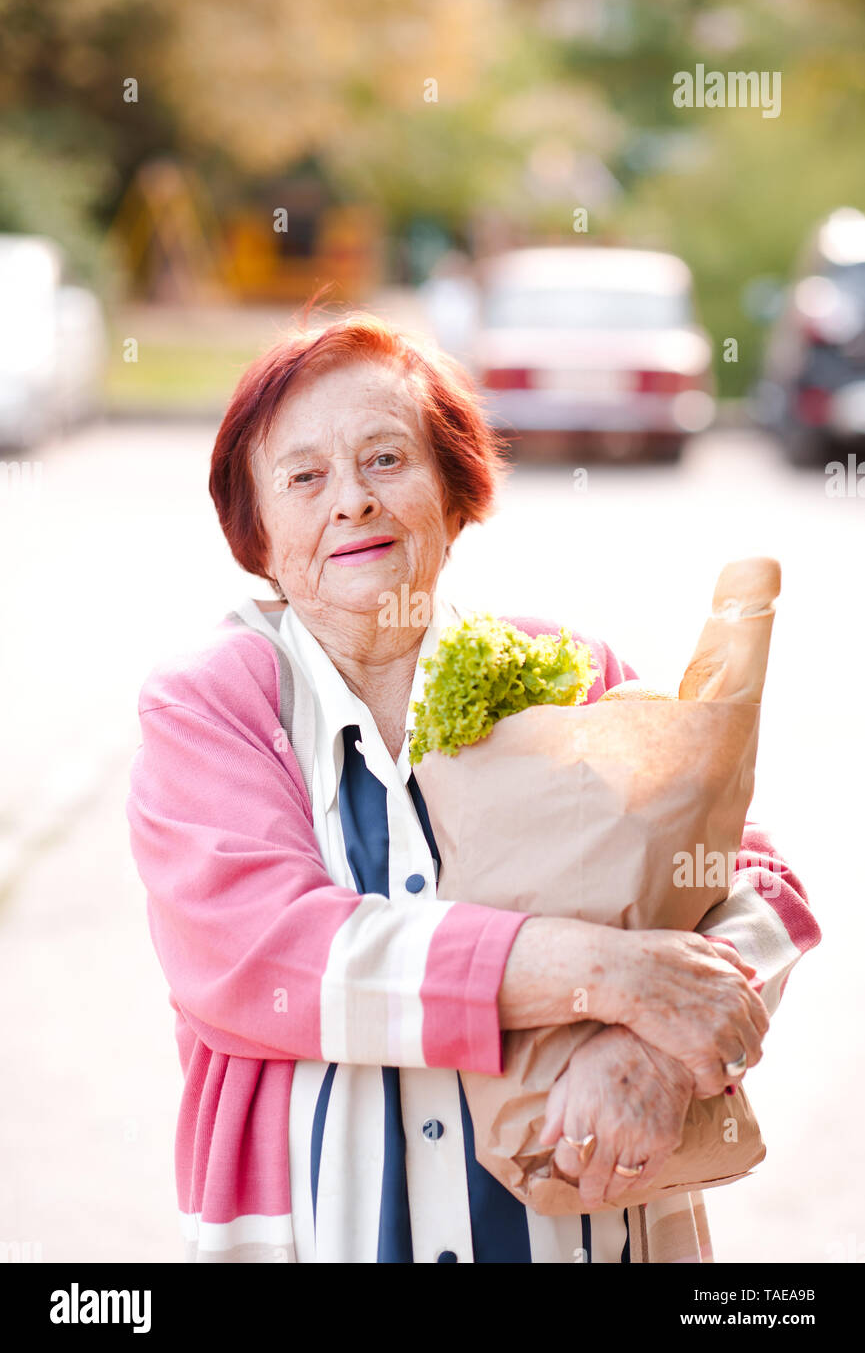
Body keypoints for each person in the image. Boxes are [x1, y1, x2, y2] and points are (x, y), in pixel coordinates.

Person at [126, 313, 820, 1263]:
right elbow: (263, 955)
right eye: (303, 478)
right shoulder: (212, 703)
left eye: (384, 459)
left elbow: (751, 879)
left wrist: (659, 1049)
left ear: (455, 492)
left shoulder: (566, 668)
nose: (352, 503)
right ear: (255, 532)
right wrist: (608, 972)